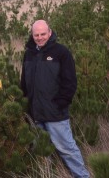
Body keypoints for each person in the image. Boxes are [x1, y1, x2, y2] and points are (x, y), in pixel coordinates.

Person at [20, 20, 90, 178]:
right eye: (36, 35)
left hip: (55, 114)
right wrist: (25, 104)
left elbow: (70, 82)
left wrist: (60, 105)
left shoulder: (61, 52)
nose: (39, 38)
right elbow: (24, 82)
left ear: (50, 33)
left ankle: (82, 176)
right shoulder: (29, 53)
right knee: (42, 152)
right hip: (35, 114)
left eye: (43, 34)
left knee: (67, 149)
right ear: (32, 35)